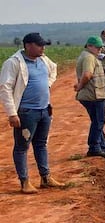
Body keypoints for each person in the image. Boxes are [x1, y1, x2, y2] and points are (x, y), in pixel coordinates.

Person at [0, 32, 66, 193]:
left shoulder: (43, 60)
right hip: (26, 112)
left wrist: (47, 84)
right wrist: (12, 113)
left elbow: (54, 70)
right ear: (28, 45)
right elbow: (5, 88)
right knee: (22, 147)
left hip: (44, 110)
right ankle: (25, 182)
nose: (43, 48)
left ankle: (45, 177)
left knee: (41, 144)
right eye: (39, 45)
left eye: (43, 45)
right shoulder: (14, 63)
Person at [75, 36, 105, 158]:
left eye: (101, 47)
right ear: (89, 46)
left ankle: (102, 146)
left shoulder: (88, 56)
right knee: (99, 121)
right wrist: (80, 86)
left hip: (94, 95)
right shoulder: (89, 57)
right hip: (94, 95)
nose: (100, 49)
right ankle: (94, 147)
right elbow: (87, 75)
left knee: (97, 121)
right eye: (98, 47)